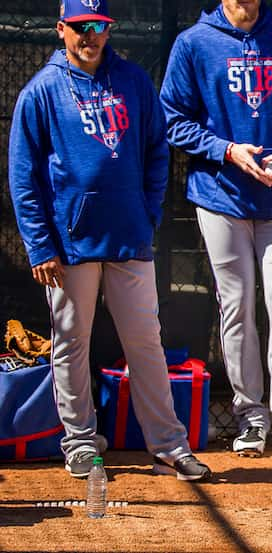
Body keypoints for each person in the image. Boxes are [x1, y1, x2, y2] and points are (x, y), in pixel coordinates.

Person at [7, 0, 211, 481]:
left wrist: (147, 214)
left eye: (99, 26)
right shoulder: (40, 92)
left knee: (145, 342)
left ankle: (168, 444)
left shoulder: (134, 81)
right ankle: (79, 441)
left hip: (129, 239)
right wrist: (40, 246)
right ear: (61, 30)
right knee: (70, 342)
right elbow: (23, 178)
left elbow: (157, 151)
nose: (91, 35)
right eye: (80, 27)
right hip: (69, 245)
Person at [160, 0, 272, 465]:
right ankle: (252, 414)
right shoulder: (193, 42)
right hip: (219, 198)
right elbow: (173, 119)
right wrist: (228, 150)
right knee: (235, 304)